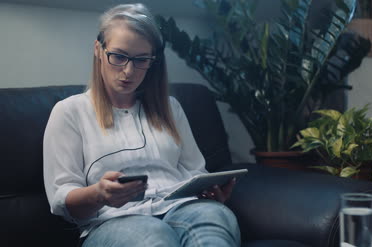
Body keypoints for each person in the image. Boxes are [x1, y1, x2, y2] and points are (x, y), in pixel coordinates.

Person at [43, 3, 240, 247]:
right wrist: (99, 194)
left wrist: (209, 192)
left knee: (215, 219)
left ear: (152, 61)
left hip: (180, 208)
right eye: (118, 56)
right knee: (155, 236)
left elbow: (196, 172)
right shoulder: (70, 112)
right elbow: (62, 199)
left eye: (141, 60)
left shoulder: (171, 108)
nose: (128, 71)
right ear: (98, 50)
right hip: (114, 221)